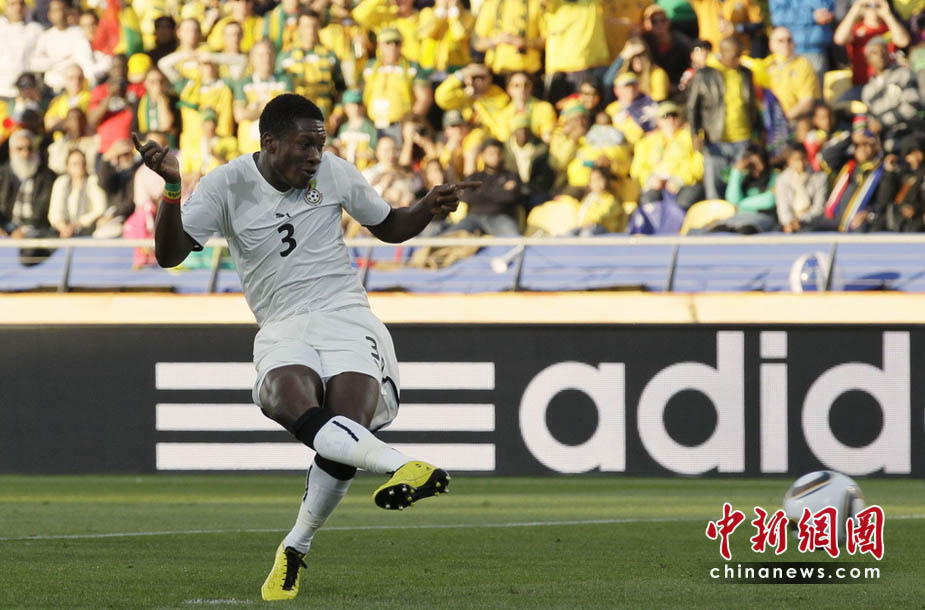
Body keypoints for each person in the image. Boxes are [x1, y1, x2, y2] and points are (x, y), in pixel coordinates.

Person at [134, 93, 479, 601]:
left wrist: (427, 206)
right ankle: (399, 464)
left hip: (347, 317)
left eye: (320, 145)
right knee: (285, 395)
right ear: (270, 143)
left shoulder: (334, 171)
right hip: (283, 324)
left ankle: (295, 547)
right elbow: (169, 255)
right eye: (305, 145)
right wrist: (171, 187)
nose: (316, 156)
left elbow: (389, 226)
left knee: (345, 431)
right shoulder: (227, 184)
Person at [687, 37, 760, 200]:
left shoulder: (745, 73)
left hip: (743, 139)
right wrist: (695, 133)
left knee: (741, 187)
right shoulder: (704, 74)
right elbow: (692, 107)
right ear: (723, 53)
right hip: (716, 139)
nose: (738, 60)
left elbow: (752, 106)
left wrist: (757, 133)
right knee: (715, 188)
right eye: (734, 56)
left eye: (740, 55)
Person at [452, 138, 522, 236]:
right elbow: (465, 196)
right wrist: (500, 191)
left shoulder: (511, 176)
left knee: (515, 240)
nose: (495, 156)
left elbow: (511, 196)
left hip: (500, 218)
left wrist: (479, 192)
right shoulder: (475, 177)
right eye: (491, 153)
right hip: (473, 218)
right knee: (447, 238)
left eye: (498, 153)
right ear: (483, 155)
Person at [0, 129, 57, 238]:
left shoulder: (47, 176)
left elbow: (43, 210)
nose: (25, 153)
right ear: (11, 151)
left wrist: (25, 230)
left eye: (30, 148)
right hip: (5, 227)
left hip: (35, 230)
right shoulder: (2, 174)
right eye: (20, 149)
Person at [48, 148, 107, 237]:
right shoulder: (61, 182)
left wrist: (76, 224)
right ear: (67, 166)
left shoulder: (93, 181)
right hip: (62, 231)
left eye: (83, 163)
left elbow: (100, 209)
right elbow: (55, 212)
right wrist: (64, 228)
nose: (80, 166)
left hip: (88, 230)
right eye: (75, 164)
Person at [775, 143, 827, 232]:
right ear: (789, 161)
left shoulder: (820, 178)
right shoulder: (782, 179)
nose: (801, 164)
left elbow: (819, 207)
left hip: (812, 223)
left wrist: (801, 220)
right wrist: (789, 222)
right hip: (789, 224)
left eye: (803, 158)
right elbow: (783, 207)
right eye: (796, 160)